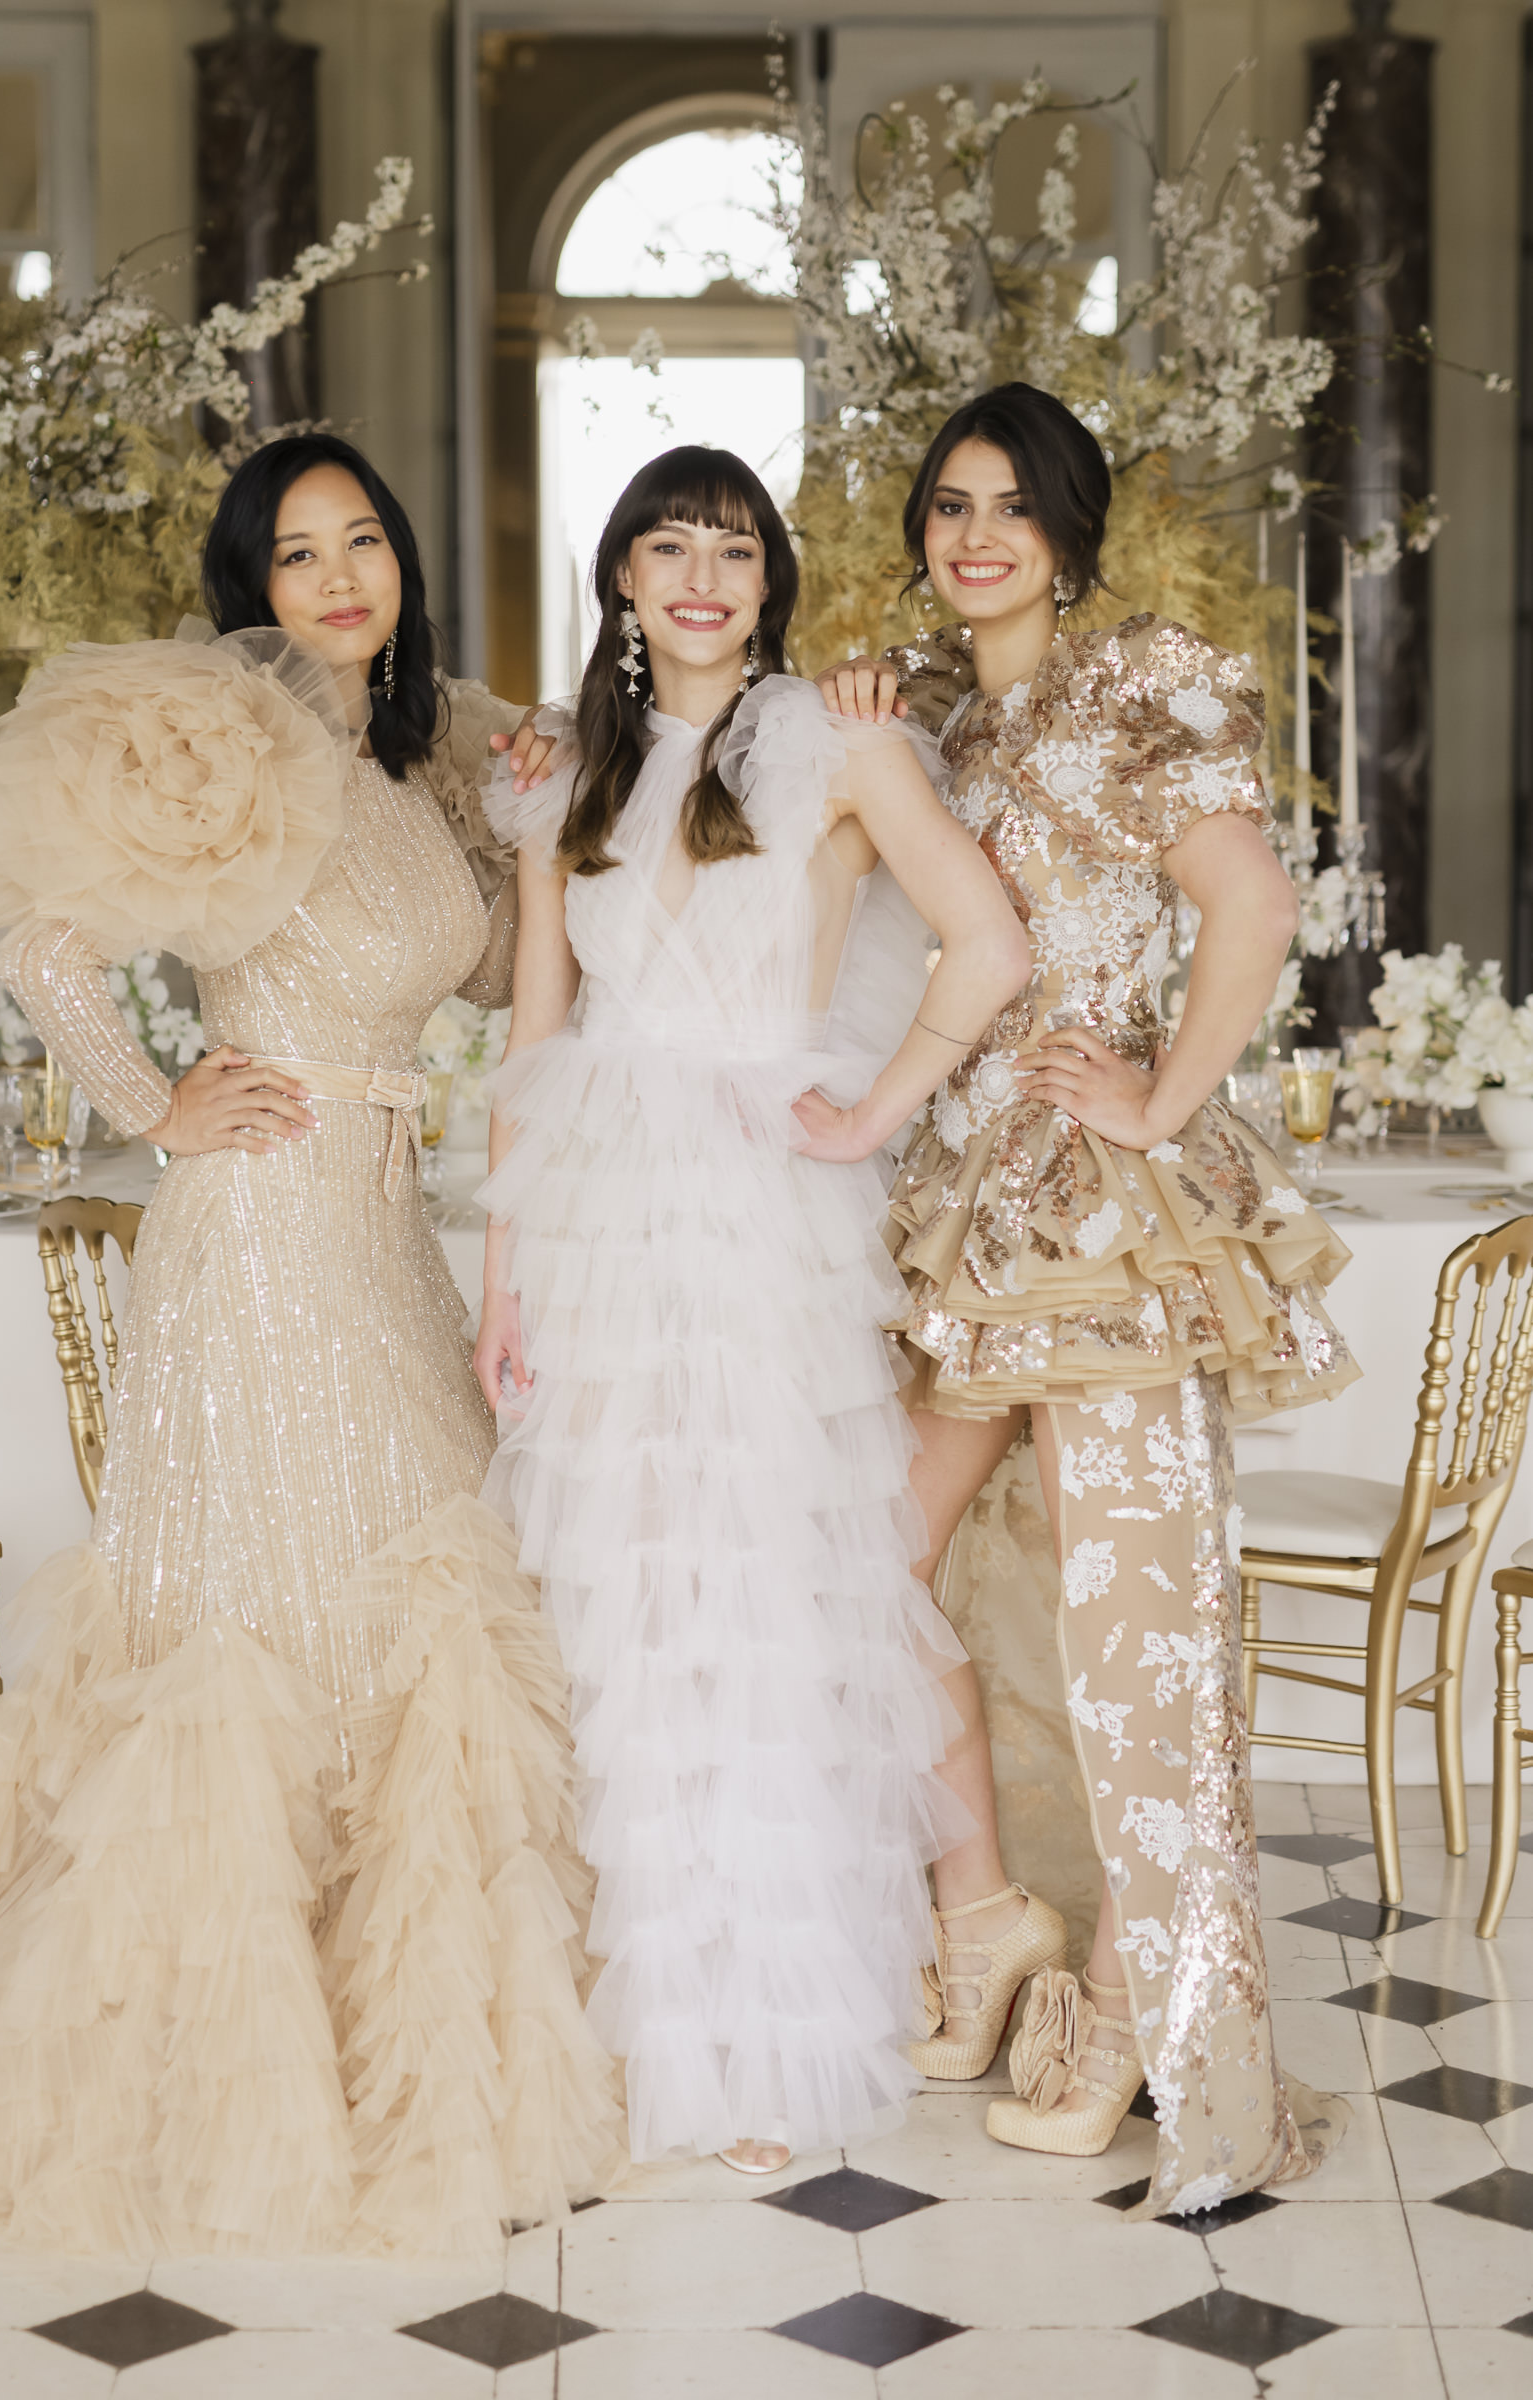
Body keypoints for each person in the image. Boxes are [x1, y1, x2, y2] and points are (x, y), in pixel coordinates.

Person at [0, 433, 620, 2260]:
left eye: (364, 541)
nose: (339, 576)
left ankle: (409, 2020)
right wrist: (155, 1104)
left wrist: (526, 820)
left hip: (385, 1214)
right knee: (268, 1598)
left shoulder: (423, 752)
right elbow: (47, 954)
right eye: (297, 553)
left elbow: (494, 974)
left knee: (421, 1576)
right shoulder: (222, 742)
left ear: (403, 564)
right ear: (251, 589)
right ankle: (220, 2037)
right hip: (258, 1228)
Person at [813, 382, 1355, 2216]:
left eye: (1012, 506)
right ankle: (988, 1905)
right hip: (961, 1202)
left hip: (1106, 1211)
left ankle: (1147, 1995)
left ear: (1070, 525)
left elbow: (1250, 907)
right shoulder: (949, 707)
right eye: (948, 503)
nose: (974, 534)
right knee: (868, 1558)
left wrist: (1158, 1095)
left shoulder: (1145, 678)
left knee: (1141, 1620)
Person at [472, 444, 1031, 2177]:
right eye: (666, 544)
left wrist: (871, 1110)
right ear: (620, 580)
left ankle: (767, 2033)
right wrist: (501, 1284)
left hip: (764, 1209)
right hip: (597, 1216)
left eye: (733, 547)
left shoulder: (834, 740)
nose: (701, 574)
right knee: (629, 1610)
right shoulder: (563, 775)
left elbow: (989, 945)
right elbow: (534, 1036)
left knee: (770, 1596)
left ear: (769, 581)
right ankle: (647, 2021)